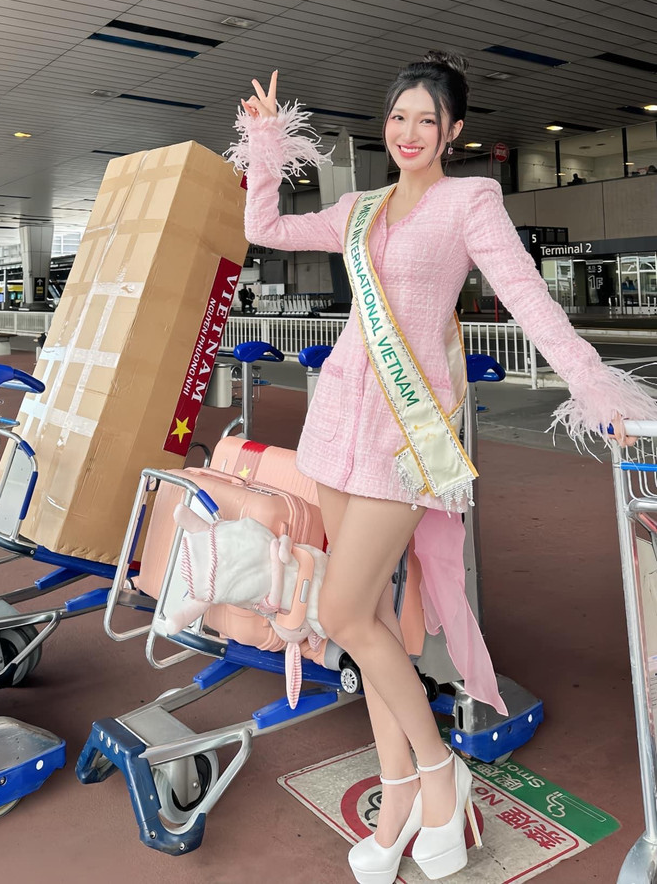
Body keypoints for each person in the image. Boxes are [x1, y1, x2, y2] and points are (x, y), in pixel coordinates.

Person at [228, 59, 652, 884]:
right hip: (336, 427)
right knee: (372, 619)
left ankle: (438, 770)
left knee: (342, 611)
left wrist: (593, 384)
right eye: (399, 117)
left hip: (406, 440)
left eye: (427, 119)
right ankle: (399, 803)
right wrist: (268, 140)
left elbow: (529, 299)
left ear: (454, 131)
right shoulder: (359, 208)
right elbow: (266, 226)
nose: (410, 132)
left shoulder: (470, 202)